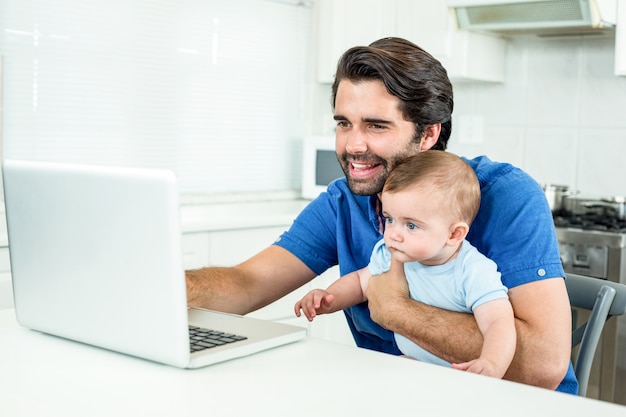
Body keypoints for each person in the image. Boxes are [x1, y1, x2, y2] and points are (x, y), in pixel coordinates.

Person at [186, 37, 576, 393]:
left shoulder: (505, 195)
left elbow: (544, 367)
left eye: (376, 125)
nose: (353, 145)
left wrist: (397, 309)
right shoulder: (345, 201)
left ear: (428, 134)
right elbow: (248, 282)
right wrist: (154, 287)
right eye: (343, 124)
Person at [294, 151, 516, 378]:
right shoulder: (393, 254)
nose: (393, 235)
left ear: (454, 234)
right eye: (390, 219)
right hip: (413, 364)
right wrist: (329, 298)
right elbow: (360, 282)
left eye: (411, 225)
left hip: (461, 375)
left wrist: (492, 363)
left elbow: (498, 323)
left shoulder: (472, 270)